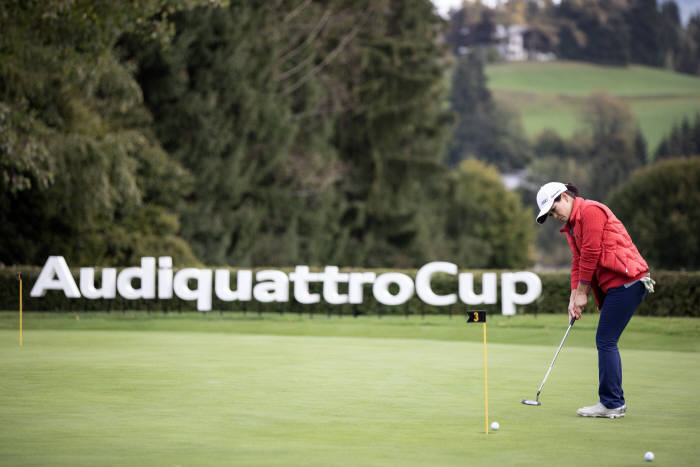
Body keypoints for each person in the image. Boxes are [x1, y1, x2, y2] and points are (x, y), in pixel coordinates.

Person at [535, 182, 654, 418]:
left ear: (565, 197)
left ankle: (612, 403)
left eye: (554, 208)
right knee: (606, 340)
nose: (555, 215)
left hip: (628, 281)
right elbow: (578, 261)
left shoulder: (591, 212)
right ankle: (613, 401)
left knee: (606, 340)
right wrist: (573, 297)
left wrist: (582, 294)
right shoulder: (571, 226)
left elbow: (591, 253)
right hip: (617, 286)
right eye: (549, 214)